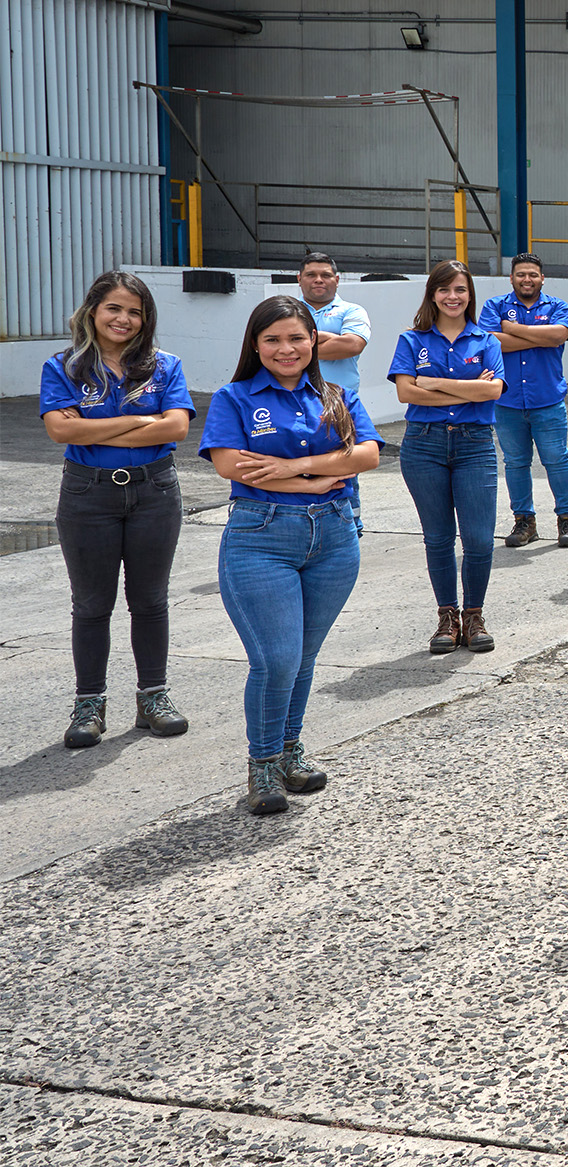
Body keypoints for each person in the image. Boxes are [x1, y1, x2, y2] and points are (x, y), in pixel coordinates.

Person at [200, 296, 383, 814]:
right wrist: (322, 475)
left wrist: (287, 468)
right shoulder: (234, 398)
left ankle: (289, 750)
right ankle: (262, 765)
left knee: (302, 657)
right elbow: (232, 466)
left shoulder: (335, 394)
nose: (286, 348)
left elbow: (367, 453)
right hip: (262, 537)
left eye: (296, 338)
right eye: (273, 339)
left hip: (333, 538)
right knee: (275, 658)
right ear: (255, 345)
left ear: (314, 342)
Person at [39, 271, 195, 748]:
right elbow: (61, 433)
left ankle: (153, 696)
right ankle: (89, 704)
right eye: (114, 308)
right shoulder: (64, 367)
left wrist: (95, 426)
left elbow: (177, 429)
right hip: (88, 494)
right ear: (92, 311)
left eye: (135, 311)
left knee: (149, 600)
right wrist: (141, 421)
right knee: (91, 605)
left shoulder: (164, 366)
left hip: (154, 491)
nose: (123, 319)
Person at [389, 260, 506, 655]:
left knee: (478, 539)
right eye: (444, 290)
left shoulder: (487, 341)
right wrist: (469, 388)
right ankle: (447, 616)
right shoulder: (411, 340)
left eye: (460, 289)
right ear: (432, 294)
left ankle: (474, 615)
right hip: (424, 444)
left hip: (475, 444)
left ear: (470, 294)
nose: (452, 297)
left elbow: (493, 393)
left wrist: (436, 384)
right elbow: (406, 393)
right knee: (438, 539)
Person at [479, 252, 568, 550]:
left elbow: (560, 334)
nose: (527, 279)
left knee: (557, 461)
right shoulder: (494, 306)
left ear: (542, 278)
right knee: (516, 463)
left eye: (533, 274)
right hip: (507, 401)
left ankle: (567, 520)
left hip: (547, 400)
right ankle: (524, 522)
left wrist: (512, 330)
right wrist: (541, 337)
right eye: (521, 274)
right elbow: (491, 342)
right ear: (511, 278)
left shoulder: (557, 306)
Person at [296, 253, 372, 534]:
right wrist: (327, 339)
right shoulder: (287, 309)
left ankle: (350, 524)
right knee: (297, 463)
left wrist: (299, 346)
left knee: (344, 463)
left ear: (337, 280)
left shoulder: (351, 311)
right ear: (299, 279)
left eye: (325, 275)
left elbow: (351, 346)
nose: (319, 280)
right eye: (311, 274)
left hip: (338, 403)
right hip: (290, 400)